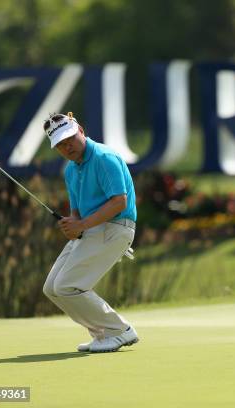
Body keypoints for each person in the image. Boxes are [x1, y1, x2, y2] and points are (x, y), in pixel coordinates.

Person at [41, 112, 139, 353]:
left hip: (116, 227)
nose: (67, 147)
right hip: (92, 229)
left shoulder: (104, 157)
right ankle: (103, 333)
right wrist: (72, 224)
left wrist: (81, 226)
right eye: (61, 145)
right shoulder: (71, 170)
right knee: (52, 288)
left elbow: (119, 202)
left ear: (81, 130)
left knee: (67, 285)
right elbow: (76, 210)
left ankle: (119, 330)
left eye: (70, 139)